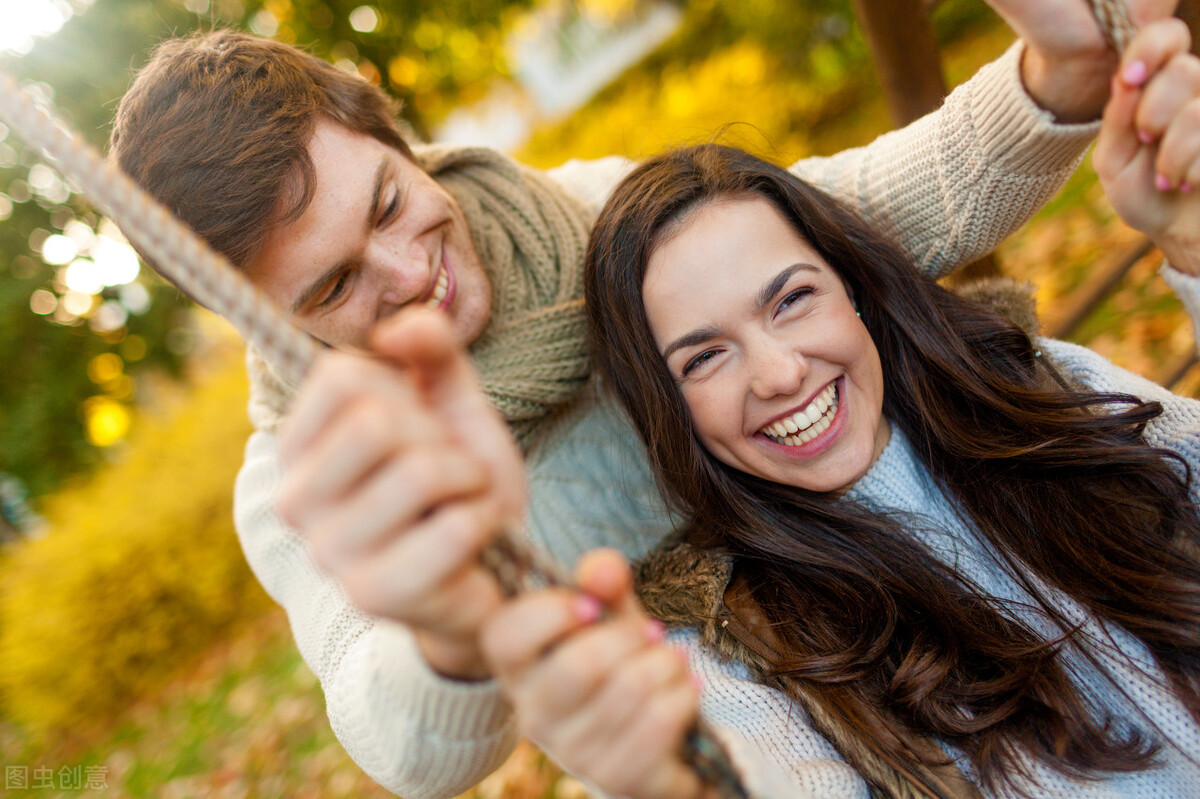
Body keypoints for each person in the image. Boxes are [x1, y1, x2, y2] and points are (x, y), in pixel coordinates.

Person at [106, 2, 1179, 796]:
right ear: (266, 322)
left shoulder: (570, 215)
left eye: (389, 203)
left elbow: (849, 226)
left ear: (394, 137)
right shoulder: (314, 470)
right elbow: (395, 731)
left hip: (915, 597)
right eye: (335, 284)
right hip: (728, 739)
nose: (406, 274)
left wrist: (1055, 78)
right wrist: (446, 618)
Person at [480, 19, 1200, 799]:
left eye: (792, 299)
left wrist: (1192, 249)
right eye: (705, 356)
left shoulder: (1030, 383)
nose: (781, 372)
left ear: (852, 288)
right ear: (669, 409)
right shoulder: (729, 644)